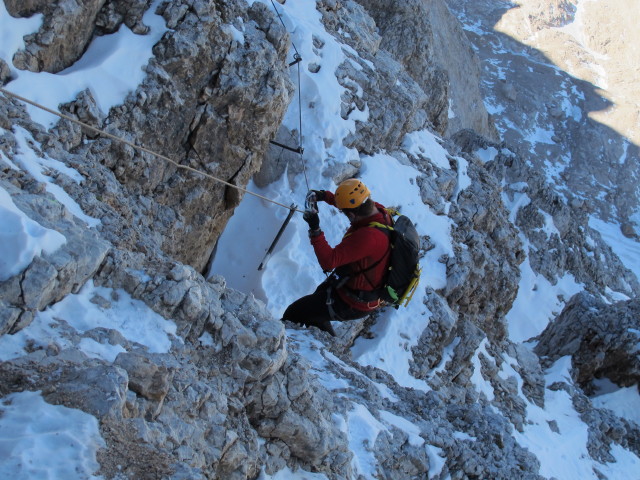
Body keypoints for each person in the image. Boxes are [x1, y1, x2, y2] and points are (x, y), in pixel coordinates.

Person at [282, 179, 392, 336]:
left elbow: (328, 262)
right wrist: (324, 196)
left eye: (346, 214)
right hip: (350, 284)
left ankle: (323, 348)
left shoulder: (369, 237)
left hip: (352, 302)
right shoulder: (380, 212)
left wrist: (315, 229)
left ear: (352, 214)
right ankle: (322, 336)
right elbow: (351, 204)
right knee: (313, 308)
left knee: (293, 314)